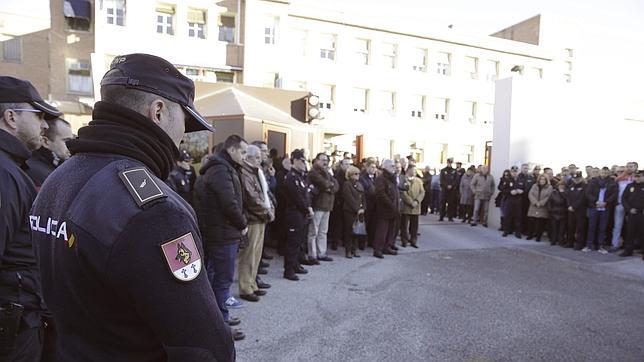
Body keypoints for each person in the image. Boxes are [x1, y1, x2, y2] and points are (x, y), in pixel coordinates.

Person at [30, 54, 235, 360]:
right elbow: (204, 346)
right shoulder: (155, 211)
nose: (181, 139)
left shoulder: (59, 179)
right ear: (159, 111)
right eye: (185, 122)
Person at [1, 76, 62, 361]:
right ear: (11, 117)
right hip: (13, 323)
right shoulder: (5, 173)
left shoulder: (12, 167)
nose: (45, 124)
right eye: (37, 114)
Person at [194, 134, 248, 339]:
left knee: (216, 278)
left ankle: (218, 318)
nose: (244, 156)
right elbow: (229, 204)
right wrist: (242, 224)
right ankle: (220, 326)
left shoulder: (224, 168)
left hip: (221, 233)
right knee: (222, 281)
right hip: (223, 234)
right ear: (232, 150)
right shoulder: (220, 170)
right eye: (242, 152)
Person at [281, 149, 313, 280]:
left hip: (301, 213)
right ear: (294, 161)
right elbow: (297, 198)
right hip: (293, 213)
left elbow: (306, 195)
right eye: (302, 161)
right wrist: (307, 209)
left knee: (299, 241)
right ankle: (288, 270)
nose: (304, 164)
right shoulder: (291, 177)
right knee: (292, 242)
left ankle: (295, 264)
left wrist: (308, 208)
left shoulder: (300, 176)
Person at [306, 153, 339, 263]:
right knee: (314, 231)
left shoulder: (327, 173)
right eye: (323, 160)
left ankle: (322, 253)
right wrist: (329, 186)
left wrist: (330, 187)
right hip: (318, 205)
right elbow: (323, 184)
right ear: (316, 160)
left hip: (327, 205)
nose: (325, 162)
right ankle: (312, 254)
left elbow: (336, 186)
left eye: (327, 160)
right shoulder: (313, 172)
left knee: (323, 231)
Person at [25, 117, 73, 190]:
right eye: (66, 141)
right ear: (45, 142)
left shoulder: (56, 166)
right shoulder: (37, 173)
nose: (71, 146)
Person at [583, 167, 617, 253]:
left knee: (602, 228)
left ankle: (600, 246)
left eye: (606, 173)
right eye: (602, 172)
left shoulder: (612, 182)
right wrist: (596, 201)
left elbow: (614, 194)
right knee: (591, 227)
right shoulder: (593, 181)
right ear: (600, 173)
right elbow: (588, 193)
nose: (604, 174)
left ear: (608, 173)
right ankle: (589, 245)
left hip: (605, 207)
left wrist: (606, 202)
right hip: (594, 207)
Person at [373, 159, 400, 258]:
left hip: (393, 209)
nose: (394, 168)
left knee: (391, 229)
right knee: (382, 230)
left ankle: (387, 247)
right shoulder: (381, 179)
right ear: (386, 167)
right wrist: (391, 204)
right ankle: (378, 249)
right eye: (392, 166)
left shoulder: (392, 178)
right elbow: (381, 194)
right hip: (384, 209)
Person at [610, 162, 637, 252]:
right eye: (628, 167)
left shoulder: (637, 178)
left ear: (635, 168)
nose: (629, 168)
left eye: (631, 167)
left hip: (633, 207)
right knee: (617, 225)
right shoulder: (619, 179)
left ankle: (631, 245)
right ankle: (615, 244)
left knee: (633, 226)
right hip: (620, 204)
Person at [619, 170, 644, 259]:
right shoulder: (630, 186)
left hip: (642, 213)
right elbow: (623, 198)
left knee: (642, 233)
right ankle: (628, 251)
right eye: (636, 176)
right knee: (630, 233)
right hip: (632, 213)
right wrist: (629, 209)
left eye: (640, 176)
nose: (637, 178)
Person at [342, 165, 365, 258]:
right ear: (350, 174)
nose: (358, 175)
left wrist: (363, 208)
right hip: (349, 211)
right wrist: (357, 209)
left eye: (359, 174)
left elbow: (363, 197)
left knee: (357, 231)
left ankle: (355, 249)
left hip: (359, 211)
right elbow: (348, 198)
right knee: (349, 231)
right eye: (355, 174)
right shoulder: (347, 184)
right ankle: (348, 250)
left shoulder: (359, 185)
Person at [401, 166, 425, 248]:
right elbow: (403, 193)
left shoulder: (419, 181)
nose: (414, 171)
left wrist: (417, 201)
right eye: (413, 170)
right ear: (408, 170)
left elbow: (422, 192)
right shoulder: (403, 180)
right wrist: (410, 202)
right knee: (404, 225)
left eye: (415, 170)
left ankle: (413, 240)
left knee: (414, 225)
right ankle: (404, 240)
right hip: (406, 206)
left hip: (416, 207)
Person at [329, 159, 350, 250]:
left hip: (346, 203)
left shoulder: (348, 176)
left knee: (346, 223)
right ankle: (335, 242)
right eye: (346, 164)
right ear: (341, 165)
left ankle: (344, 241)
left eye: (349, 164)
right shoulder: (338, 175)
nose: (348, 166)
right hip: (338, 202)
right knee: (337, 224)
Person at [501, 166, 527, 238]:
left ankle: (518, 232)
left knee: (518, 217)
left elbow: (526, 189)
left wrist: (522, 191)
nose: (514, 173)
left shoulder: (521, 180)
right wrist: (510, 191)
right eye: (513, 172)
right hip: (510, 200)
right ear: (511, 172)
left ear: (518, 172)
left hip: (518, 201)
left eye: (516, 171)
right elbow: (503, 190)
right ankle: (506, 231)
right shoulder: (507, 180)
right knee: (507, 216)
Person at [526, 174, 552, 241]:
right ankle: (530, 235)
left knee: (540, 223)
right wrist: (535, 202)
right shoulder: (534, 185)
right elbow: (530, 194)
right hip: (533, 206)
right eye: (541, 179)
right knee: (531, 222)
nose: (542, 180)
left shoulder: (549, 187)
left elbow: (548, 197)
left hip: (542, 207)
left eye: (544, 179)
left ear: (546, 180)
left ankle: (538, 236)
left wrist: (540, 203)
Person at [359, 159, 378, 249]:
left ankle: (371, 241)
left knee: (373, 224)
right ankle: (362, 243)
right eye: (372, 167)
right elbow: (366, 190)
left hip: (375, 204)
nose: (374, 169)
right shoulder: (362, 177)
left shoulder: (376, 177)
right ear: (367, 167)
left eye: (375, 167)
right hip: (367, 203)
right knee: (365, 223)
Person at [566, 171, 587, 249]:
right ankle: (570, 242)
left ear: (581, 178)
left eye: (577, 178)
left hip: (580, 210)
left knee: (580, 228)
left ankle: (579, 244)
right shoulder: (571, 186)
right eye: (574, 179)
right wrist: (569, 206)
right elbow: (567, 197)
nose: (576, 180)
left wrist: (574, 206)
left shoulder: (584, 186)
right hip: (571, 210)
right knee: (571, 227)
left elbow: (582, 198)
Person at [548, 181, 568, 246]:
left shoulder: (566, 193)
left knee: (561, 229)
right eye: (560, 185)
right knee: (554, 228)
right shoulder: (553, 193)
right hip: (554, 212)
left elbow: (567, 202)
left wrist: (563, 193)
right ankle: (553, 240)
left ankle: (560, 240)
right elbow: (549, 202)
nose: (561, 187)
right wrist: (550, 210)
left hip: (563, 213)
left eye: (563, 185)